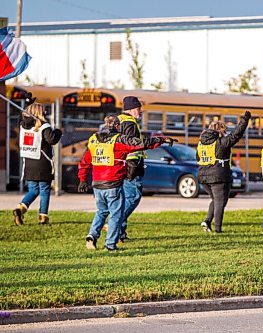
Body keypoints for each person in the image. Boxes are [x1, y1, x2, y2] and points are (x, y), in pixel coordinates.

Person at [78, 115, 170, 251]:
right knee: (116, 214)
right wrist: (160, 140)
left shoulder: (93, 140)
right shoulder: (119, 140)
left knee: (101, 211)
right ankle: (110, 245)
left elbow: (85, 162)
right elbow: (141, 144)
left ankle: (92, 236)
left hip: (97, 184)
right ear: (117, 126)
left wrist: (82, 180)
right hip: (113, 183)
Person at [197, 111, 251, 233]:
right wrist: (244, 120)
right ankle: (218, 230)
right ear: (220, 131)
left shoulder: (201, 144)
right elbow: (236, 135)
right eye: (224, 130)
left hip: (203, 178)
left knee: (216, 200)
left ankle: (207, 221)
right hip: (218, 178)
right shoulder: (220, 143)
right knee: (220, 202)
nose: (225, 133)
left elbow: (198, 158)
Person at [12, 102, 62, 226]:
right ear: (40, 112)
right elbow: (52, 140)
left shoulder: (23, 125)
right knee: (44, 190)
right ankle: (43, 217)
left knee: (33, 190)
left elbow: (21, 116)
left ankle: (20, 209)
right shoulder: (44, 126)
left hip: (28, 162)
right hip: (42, 163)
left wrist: (28, 104)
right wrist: (58, 132)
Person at [117, 96, 150, 242]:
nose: (140, 111)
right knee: (133, 197)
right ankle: (116, 222)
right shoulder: (129, 124)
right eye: (138, 108)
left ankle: (120, 232)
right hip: (132, 166)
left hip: (122, 164)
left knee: (124, 198)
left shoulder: (119, 120)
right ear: (131, 109)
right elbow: (131, 145)